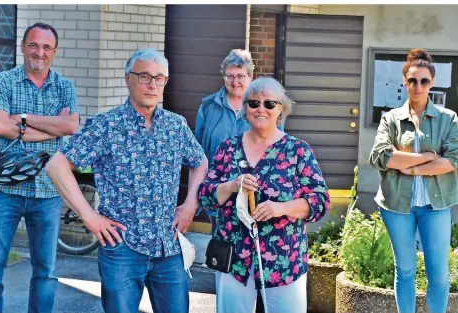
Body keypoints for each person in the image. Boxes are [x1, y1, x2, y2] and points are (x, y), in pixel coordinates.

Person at [46, 48, 208, 313]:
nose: (152, 84)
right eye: (144, 76)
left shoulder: (175, 125)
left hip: (168, 247)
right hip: (122, 248)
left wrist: (190, 204)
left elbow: (199, 161)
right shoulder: (105, 126)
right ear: (127, 79)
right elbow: (57, 166)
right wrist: (89, 216)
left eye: (159, 78)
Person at [198, 77, 330, 313]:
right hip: (234, 258)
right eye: (254, 103)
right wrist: (231, 185)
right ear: (245, 108)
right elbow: (206, 195)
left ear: (281, 109)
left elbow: (319, 202)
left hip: (283, 261)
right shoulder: (228, 148)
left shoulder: (298, 150)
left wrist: (282, 208)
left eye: (270, 104)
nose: (261, 109)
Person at [0, 22, 79, 313]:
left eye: (46, 47)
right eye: (34, 45)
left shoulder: (65, 87)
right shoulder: (2, 81)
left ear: (54, 51)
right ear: (23, 47)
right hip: (3, 189)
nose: (39, 52)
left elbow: (72, 125)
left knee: (46, 272)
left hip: (48, 191)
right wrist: (53, 128)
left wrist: (23, 118)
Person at [369, 48, 458, 313]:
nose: (417, 86)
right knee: (405, 270)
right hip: (397, 205)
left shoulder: (448, 119)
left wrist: (411, 168)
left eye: (424, 81)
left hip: (436, 205)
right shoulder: (391, 118)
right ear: (404, 82)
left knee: (439, 274)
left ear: (432, 82)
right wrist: (429, 156)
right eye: (412, 80)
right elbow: (381, 157)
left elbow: (452, 161)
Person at [195, 49, 284, 235]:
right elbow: (198, 153)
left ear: (251, 76)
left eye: (241, 76)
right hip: (221, 192)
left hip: (256, 193)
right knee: (223, 247)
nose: (235, 82)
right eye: (230, 76)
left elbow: (278, 150)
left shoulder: (266, 107)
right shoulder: (208, 106)